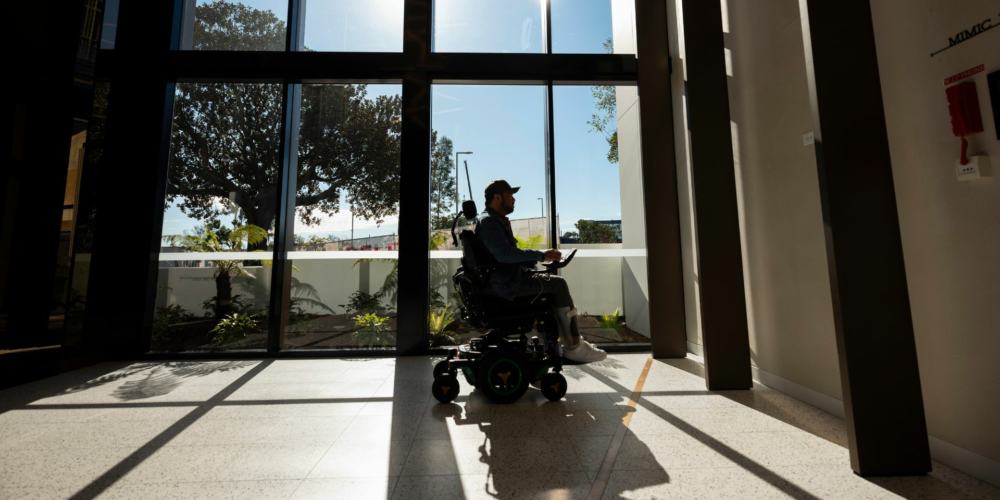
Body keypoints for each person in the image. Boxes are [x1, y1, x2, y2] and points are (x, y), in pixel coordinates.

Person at [476, 179, 607, 363]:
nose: (514, 200)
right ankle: (574, 347)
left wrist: (536, 260)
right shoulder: (490, 222)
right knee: (558, 285)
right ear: (497, 197)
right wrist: (541, 255)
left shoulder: (490, 220)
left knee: (550, 284)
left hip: (505, 280)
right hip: (507, 285)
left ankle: (561, 344)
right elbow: (504, 255)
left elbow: (504, 256)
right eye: (510, 195)